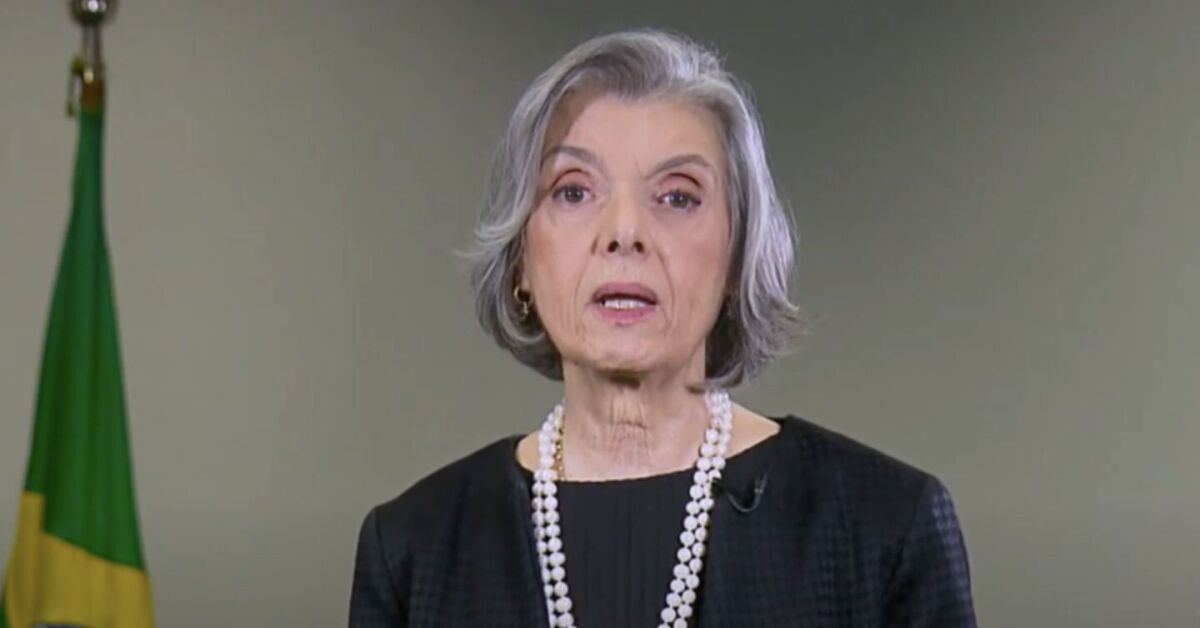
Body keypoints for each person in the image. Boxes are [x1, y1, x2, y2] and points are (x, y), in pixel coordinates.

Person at [349, 28, 976, 628]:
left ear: (736, 256)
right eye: (574, 191)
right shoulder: (412, 548)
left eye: (677, 197)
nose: (625, 233)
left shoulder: (884, 525)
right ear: (521, 261)